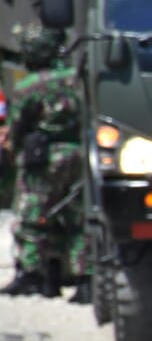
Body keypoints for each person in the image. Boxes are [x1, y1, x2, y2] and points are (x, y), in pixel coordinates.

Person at [3, 25, 88, 301]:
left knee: (33, 217)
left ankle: (33, 275)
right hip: (80, 153)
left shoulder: (29, 86)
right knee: (78, 217)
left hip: (44, 159)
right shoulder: (78, 79)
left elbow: (17, 127)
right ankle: (85, 278)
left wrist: (13, 151)